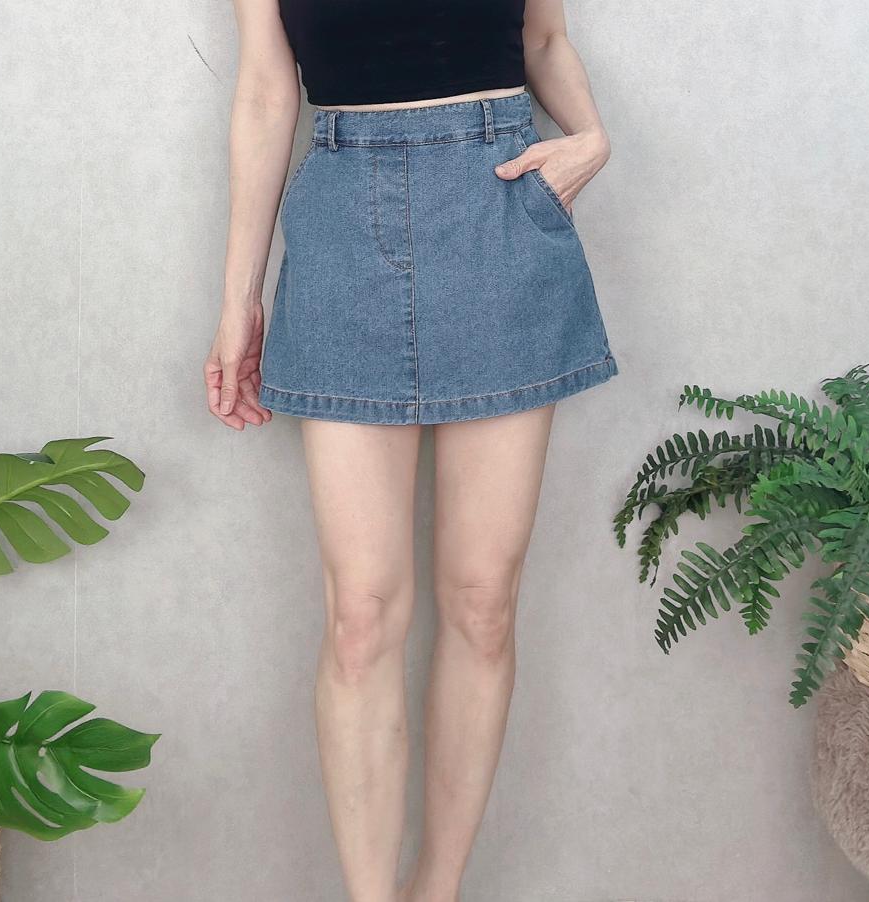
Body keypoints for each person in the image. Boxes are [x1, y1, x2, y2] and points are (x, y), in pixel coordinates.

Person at [205, 1, 618, 898]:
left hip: (497, 204)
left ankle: (437, 889)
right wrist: (239, 301)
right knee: (360, 617)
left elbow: (544, 37)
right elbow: (268, 91)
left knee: (482, 602)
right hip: (343, 222)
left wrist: (591, 137)